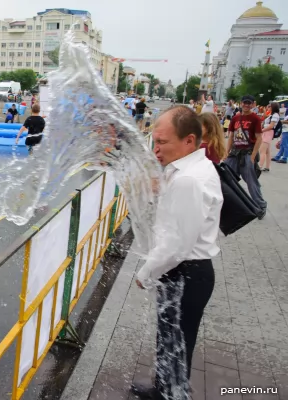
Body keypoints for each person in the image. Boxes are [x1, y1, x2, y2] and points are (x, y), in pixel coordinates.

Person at [132, 106, 222, 400]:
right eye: (154, 142)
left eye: (163, 143)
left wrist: (146, 271)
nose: (156, 150)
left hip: (186, 271)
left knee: (177, 339)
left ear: (189, 141)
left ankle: (172, 394)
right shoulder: (190, 168)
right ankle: (163, 388)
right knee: (170, 335)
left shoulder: (188, 179)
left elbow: (178, 244)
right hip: (187, 270)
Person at [225, 95, 267, 218]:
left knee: (251, 182)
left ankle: (261, 206)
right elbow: (231, 136)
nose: (246, 105)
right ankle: (230, 205)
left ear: (253, 104)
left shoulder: (255, 118)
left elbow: (259, 138)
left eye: (249, 103)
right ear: (241, 103)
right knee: (227, 177)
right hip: (234, 153)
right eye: (244, 103)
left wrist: (253, 156)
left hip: (247, 153)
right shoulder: (236, 118)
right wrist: (226, 152)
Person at [259, 102, 281, 172]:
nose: (268, 107)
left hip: (267, 132)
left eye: (269, 106)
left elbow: (271, 126)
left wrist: (262, 130)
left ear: (273, 107)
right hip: (268, 132)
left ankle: (260, 166)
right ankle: (267, 166)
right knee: (267, 151)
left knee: (262, 150)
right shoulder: (273, 115)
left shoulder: (275, 115)